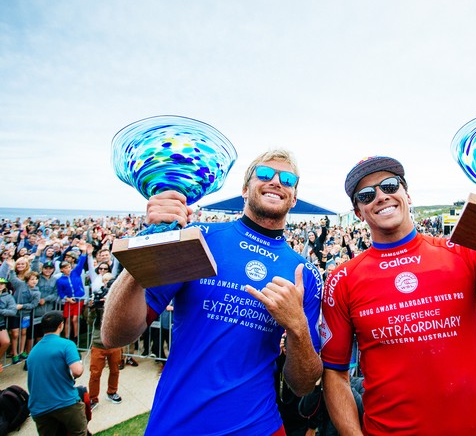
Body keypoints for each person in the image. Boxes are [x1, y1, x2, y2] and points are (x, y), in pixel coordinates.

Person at [321, 156, 476, 435]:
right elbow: (335, 373)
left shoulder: (461, 252)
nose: (381, 197)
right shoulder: (342, 279)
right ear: (358, 212)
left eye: (390, 185)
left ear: (406, 194)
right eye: (367, 194)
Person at [102, 149, 323, 436]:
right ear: (245, 189)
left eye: (288, 179)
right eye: (265, 174)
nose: (276, 182)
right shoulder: (199, 238)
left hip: (259, 426)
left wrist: (297, 328)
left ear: (293, 197)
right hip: (177, 424)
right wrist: (149, 245)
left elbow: (303, 384)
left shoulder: (303, 273)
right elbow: (114, 335)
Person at [26, 311, 88, 436]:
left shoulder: (33, 352)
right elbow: (77, 371)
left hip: (39, 408)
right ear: (61, 325)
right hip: (65, 402)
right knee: (79, 433)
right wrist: (79, 365)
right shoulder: (67, 344)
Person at [85, 272, 121, 410]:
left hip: (115, 342)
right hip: (98, 342)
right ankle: (93, 398)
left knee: (115, 370)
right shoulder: (97, 299)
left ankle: (112, 391)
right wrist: (93, 309)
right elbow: (89, 321)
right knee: (95, 373)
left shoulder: (118, 300)